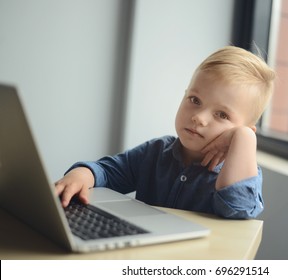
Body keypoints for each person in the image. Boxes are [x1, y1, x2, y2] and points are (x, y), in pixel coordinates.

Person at [55, 45, 276, 219]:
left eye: (222, 115)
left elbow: (236, 209)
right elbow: (109, 172)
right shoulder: (155, 151)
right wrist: (83, 173)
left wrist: (245, 138)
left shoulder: (240, 172)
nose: (199, 117)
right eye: (195, 100)